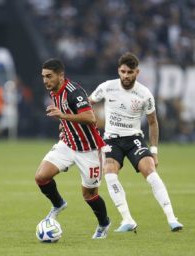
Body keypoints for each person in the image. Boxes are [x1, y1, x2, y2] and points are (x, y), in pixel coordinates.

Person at [89, 52, 183, 232]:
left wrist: (154, 150)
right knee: (109, 172)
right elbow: (88, 102)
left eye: (129, 72)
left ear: (137, 72)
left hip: (134, 139)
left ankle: (172, 218)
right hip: (111, 139)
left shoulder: (144, 94)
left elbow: (153, 122)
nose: (125, 76)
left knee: (150, 171)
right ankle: (127, 220)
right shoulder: (107, 87)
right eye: (123, 72)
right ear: (118, 70)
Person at [35, 58, 110, 239]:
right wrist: (64, 123)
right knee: (41, 177)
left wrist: (63, 115)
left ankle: (104, 224)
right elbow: (69, 115)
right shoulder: (54, 90)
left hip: (89, 149)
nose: (45, 80)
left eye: (49, 76)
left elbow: (91, 118)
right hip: (68, 143)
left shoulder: (74, 92)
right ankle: (58, 204)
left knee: (89, 195)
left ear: (61, 75)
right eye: (43, 76)